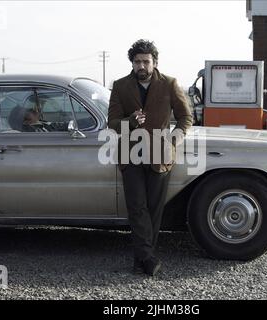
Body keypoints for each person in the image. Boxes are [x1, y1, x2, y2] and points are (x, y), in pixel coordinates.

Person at [108, 39, 193, 276]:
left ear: (155, 62)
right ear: (132, 63)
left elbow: (186, 117)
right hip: (131, 154)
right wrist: (131, 122)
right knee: (137, 207)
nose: (141, 65)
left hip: (161, 154)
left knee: (154, 209)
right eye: (137, 61)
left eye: (146, 61)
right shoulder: (120, 86)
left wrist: (175, 138)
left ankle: (142, 259)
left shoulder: (170, 84)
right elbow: (112, 123)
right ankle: (147, 258)